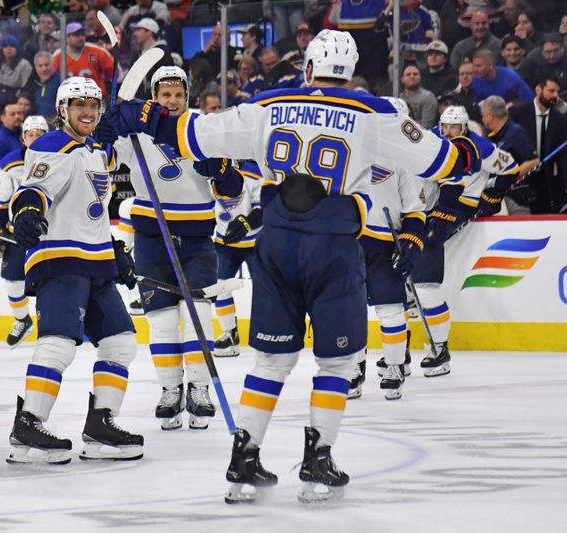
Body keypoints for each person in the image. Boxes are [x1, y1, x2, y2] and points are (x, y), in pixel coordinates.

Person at [106, 28, 478, 504]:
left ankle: (245, 457)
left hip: (276, 241)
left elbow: (190, 133)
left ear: (307, 67)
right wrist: (466, 152)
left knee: (271, 359)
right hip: (333, 244)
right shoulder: (376, 112)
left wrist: (141, 115)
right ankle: (318, 459)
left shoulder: (268, 103)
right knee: (338, 360)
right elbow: (446, 162)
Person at [6, 76, 142, 464]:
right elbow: (34, 189)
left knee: (120, 343)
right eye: (79, 105)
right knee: (59, 342)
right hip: (61, 259)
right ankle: (28, 423)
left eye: (93, 105)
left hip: (95, 262)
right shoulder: (53, 144)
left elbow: (90, 211)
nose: (88, 112)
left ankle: (100, 424)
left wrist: (115, 249)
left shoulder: (95, 150)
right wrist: (29, 211)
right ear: (62, 111)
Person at [100, 66, 243, 431]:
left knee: (199, 315)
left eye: (178, 95)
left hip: (196, 241)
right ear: (154, 98)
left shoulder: (202, 129)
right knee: (162, 321)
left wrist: (222, 170)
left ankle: (199, 389)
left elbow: (233, 191)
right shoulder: (137, 134)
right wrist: (109, 128)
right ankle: (170, 390)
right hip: (152, 240)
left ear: (187, 96)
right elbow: (100, 163)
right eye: (165, 95)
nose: (173, 101)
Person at [410, 105, 519, 379]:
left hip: (460, 206)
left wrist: (492, 197)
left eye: (453, 128)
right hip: (432, 207)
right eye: (445, 126)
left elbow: (511, 168)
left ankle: (437, 344)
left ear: (464, 128)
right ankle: (410, 302)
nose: (447, 132)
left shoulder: (480, 147)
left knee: (426, 259)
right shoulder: (432, 138)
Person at [351, 96, 424, 401]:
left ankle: (394, 365)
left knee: (391, 309)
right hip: (350, 243)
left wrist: (410, 244)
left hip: (384, 244)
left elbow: (415, 210)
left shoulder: (404, 160)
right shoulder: (350, 151)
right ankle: (353, 368)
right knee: (350, 312)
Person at [0, 115, 49, 348]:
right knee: (12, 280)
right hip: (18, 231)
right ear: (24, 137)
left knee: (53, 280)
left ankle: (56, 325)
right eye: (30, 134)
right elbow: (2, 198)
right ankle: (22, 319)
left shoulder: (60, 158)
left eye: (39, 134)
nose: (34, 139)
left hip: (51, 232)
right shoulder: (9, 162)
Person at [212, 162, 262, 357]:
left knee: (265, 290)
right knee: (219, 287)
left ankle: (264, 334)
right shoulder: (212, 170)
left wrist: (247, 224)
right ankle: (229, 335)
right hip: (223, 242)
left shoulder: (255, 173)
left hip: (256, 243)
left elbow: (262, 209)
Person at [510, 76, 567, 213]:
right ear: (538, 90)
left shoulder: (559, 119)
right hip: (521, 178)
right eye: (551, 91)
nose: (555, 96)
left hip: (546, 180)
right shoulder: (519, 113)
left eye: (557, 92)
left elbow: (563, 155)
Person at [480, 95, 539, 214]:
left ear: (490, 116)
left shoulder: (515, 133)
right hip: (494, 197)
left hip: (515, 198)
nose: (481, 119)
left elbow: (533, 161)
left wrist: (508, 176)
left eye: (482, 116)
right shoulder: (491, 136)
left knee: (518, 233)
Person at [53, 22, 114, 95]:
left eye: (82, 34)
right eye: (76, 35)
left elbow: (115, 74)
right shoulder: (58, 56)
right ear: (67, 38)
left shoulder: (97, 51)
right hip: (71, 99)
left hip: (96, 98)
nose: (80, 37)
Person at [400, 64, 438, 129]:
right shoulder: (399, 98)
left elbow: (426, 128)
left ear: (420, 77)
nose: (412, 77)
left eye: (415, 74)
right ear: (402, 79)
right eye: (408, 74)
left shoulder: (428, 97)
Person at [27, 51, 61, 120]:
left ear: (53, 65)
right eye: (40, 66)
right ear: (36, 68)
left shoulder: (62, 81)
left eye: (46, 65)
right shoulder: (33, 85)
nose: (44, 69)